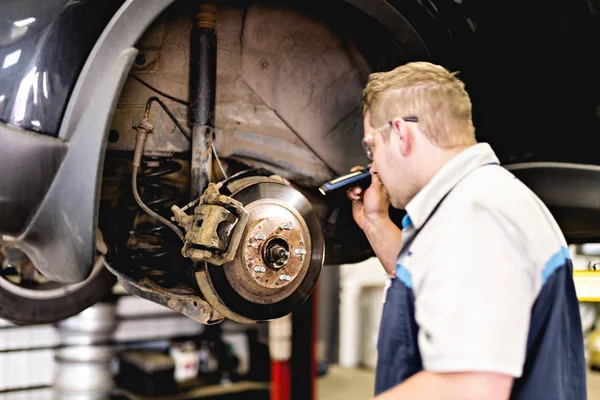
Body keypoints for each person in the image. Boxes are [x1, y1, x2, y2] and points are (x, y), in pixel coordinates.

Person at [347, 61, 587, 400]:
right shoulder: (473, 202)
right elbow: (432, 282)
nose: (373, 165)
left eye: (372, 146)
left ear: (401, 134)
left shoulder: (476, 215)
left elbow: (470, 388)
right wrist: (375, 221)